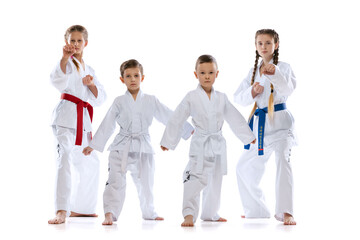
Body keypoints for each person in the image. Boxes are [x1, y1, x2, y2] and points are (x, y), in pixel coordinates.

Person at [83, 59, 193, 225]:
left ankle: (149, 212)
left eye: (136, 75)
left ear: (142, 77)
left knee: (146, 182)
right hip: (121, 146)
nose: (132, 79)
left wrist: (186, 128)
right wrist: (94, 144)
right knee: (115, 180)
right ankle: (109, 213)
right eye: (128, 76)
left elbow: (168, 115)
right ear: (122, 79)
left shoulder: (150, 100)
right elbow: (108, 124)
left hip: (144, 147)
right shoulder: (119, 101)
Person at [160, 55, 256, 227]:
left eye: (210, 72)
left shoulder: (222, 97)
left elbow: (234, 118)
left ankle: (210, 214)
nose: (206, 76)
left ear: (217, 74)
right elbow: (177, 118)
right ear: (195, 74)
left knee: (215, 179)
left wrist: (248, 136)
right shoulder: (191, 97)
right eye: (202, 72)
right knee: (195, 177)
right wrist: (168, 140)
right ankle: (189, 214)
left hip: (217, 143)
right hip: (201, 143)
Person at [234, 29, 297, 225]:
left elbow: (288, 89)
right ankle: (256, 209)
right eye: (260, 43)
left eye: (268, 43)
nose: (264, 47)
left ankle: (286, 212)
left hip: (281, 126)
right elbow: (238, 97)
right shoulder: (253, 71)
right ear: (255, 46)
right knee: (243, 167)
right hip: (260, 129)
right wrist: (252, 91)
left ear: (276, 45)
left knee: (283, 164)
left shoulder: (284, 67)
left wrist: (275, 74)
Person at [48, 25, 106, 224]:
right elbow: (57, 80)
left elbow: (100, 99)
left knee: (91, 163)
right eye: (72, 40)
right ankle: (62, 210)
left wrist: (90, 84)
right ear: (67, 43)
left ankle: (82, 208)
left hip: (83, 122)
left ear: (85, 43)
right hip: (65, 119)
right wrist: (64, 58)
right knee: (64, 158)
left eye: (79, 40)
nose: (75, 44)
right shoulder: (66, 63)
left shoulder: (90, 70)